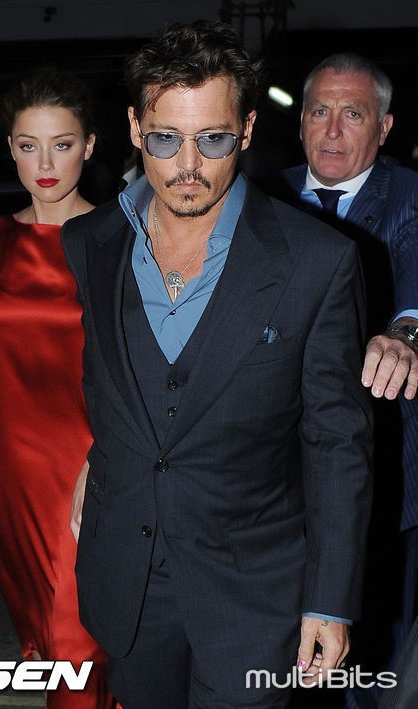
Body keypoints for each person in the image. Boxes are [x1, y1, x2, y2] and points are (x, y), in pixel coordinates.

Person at [61, 21, 373, 708]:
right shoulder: (90, 243)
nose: (188, 165)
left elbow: (336, 442)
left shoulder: (318, 261)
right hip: (127, 585)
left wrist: (331, 600)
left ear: (248, 129)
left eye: (213, 139)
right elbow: (107, 386)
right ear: (135, 128)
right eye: (165, 139)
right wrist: (99, 459)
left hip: (254, 593)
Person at [0, 66, 116, 709]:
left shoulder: (115, 237)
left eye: (61, 145)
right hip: (13, 471)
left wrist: (103, 461)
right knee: (44, 635)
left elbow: (130, 370)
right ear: (10, 148)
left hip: (87, 464)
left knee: (77, 640)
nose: (44, 164)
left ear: (89, 146)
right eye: (27, 145)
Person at [272, 53, 418, 707]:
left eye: (352, 114)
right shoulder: (258, 197)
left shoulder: (410, 198)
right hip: (272, 484)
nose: (332, 130)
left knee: (374, 667)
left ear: (383, 128)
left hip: (382, 479)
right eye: (320, 112)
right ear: (301, 121)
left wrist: (406, 334)